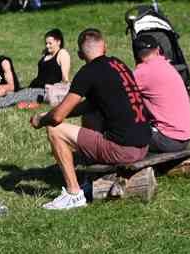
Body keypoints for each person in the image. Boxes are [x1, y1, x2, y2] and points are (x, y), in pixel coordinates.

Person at [29, 28, 150, 210]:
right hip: (144, 145)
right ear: (105, 47)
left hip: (125, 150)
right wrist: (53, 114)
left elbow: (57, 118)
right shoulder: (119, 64)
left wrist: (41, 120)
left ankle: (73, 194)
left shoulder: (88, 72)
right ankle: (90, 177)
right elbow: (88, 106)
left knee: (55, 130)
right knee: (91, 114)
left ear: (79, 54)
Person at [132, 33, 190, 153]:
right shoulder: (166, 65)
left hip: (167, 140)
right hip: (183, 138)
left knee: (121, 133)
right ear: (158, 50)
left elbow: (116, 91)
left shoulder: (144, 72)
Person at [0, 29, 70, 110]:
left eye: (50, 43)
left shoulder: (62, 53)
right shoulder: (48, 53)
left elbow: (65, 78)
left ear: (58, 42)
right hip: (34, 88)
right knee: (11, 95)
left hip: (44, 91)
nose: (47, 46)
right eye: (46, 43)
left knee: (15, 98)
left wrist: (61, 93)